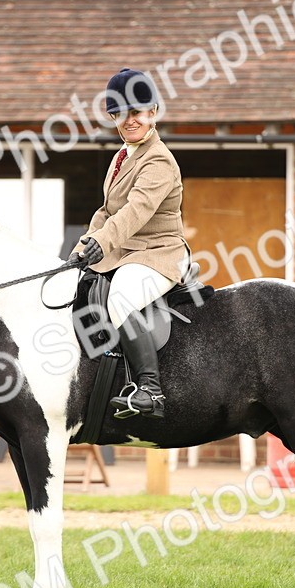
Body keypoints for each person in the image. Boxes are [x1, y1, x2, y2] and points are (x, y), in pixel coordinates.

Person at [69, 67, 191, 419]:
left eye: (136, 112)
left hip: (159, 253)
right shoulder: (122, 156)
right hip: (126, 252)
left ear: (153, 112)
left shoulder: (159, 160)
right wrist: (79, 252)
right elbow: (107, 212)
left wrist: (102, 242)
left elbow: (136, 211)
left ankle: (151, 389)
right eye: (120, 114)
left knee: (121, 295)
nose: (129, 120)